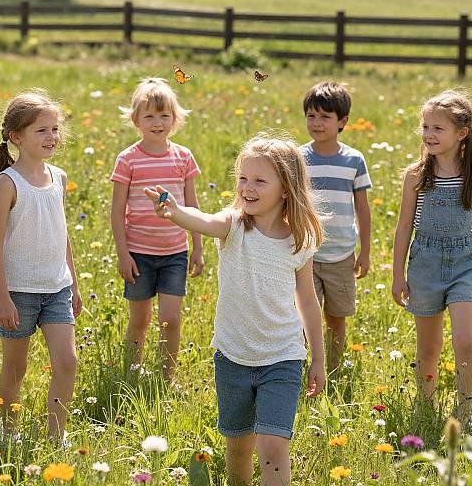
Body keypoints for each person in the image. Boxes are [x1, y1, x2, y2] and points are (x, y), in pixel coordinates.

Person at [145, 132, 325, 486]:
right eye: (243, 178)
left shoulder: (299, 240)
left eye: (259, 180)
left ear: (286, 188)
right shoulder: (233, 225)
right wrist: (176, 212)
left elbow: (307, 300)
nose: (247, 187)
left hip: (282, 356)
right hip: (233, 356)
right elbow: (202, 220)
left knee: (273, 448)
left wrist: (317, 357)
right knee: (239, 449)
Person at [392, 89, 472, 430]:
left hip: (466, 264)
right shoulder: (416, 175)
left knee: (466, 341)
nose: (428, 135)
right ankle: (426, 406)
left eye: (437, 128)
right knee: (429, 347)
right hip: (425, 265)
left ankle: (465, 412)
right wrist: (397, 274)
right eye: (425, 127)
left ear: (461, 133)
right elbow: (404, 225)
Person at [0, 91, 82, 442]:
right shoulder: (8, 183)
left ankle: (57, 436)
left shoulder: (57, 177)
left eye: (55, 129)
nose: (52, 137)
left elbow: (63, 234)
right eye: (42, 130)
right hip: (18, 293)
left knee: (67, 362)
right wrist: (3, 298)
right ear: (17, 136)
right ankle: (7, 431)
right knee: (15, 367)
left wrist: (73, 285)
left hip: (56, 288)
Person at [110, 77, 203, 379]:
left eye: (164, 115)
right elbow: (116, 212)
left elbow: (192, 208)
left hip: (175, 253)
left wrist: (198, 249)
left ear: (174, 119)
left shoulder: (183, 157)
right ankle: (132, 371)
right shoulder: (128, 160)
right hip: (139, 253)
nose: (157, 122)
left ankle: (167, 376)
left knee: (170, 320)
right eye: (149, 115)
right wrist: (123, 255)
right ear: (136, 120)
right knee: (139, 320)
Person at [300, 81, 372, 373]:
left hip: (342, 254)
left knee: (337, 316)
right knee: (306, 314)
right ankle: (304, 365)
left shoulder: (354, 160)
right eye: (311, 116)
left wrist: (365, 251)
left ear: (342, 122)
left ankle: (334, 367)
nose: (316, 123)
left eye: (325, 117)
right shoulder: (298, 157)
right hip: (306, 253)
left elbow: (363, 209)